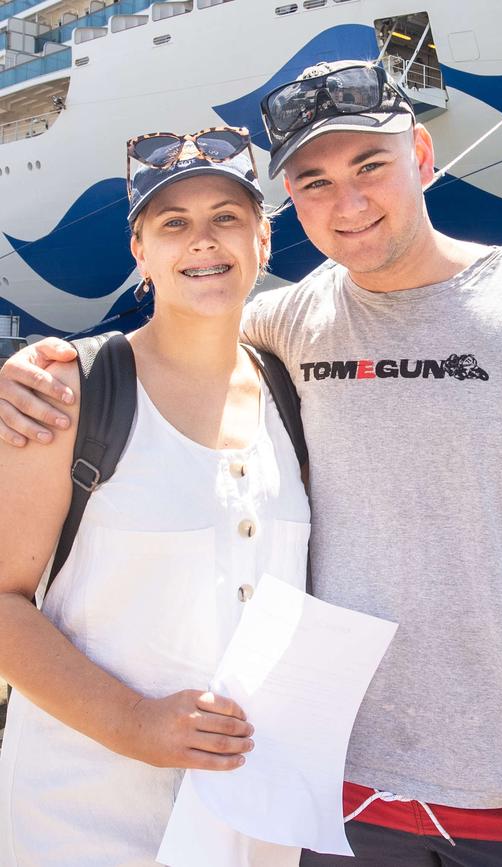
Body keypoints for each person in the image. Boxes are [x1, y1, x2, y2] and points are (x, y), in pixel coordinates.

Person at [2, 60, 502, 867]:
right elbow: (179, 339)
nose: (346, 204)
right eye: (313, 181)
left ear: (421, 153)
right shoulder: (286, 329)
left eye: (369, 166)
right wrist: (28, 372)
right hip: (325, 799)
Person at [0, 129, 309, 866]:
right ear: (141, 252)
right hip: (82, 826)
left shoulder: (293, 394)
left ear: (264, 241)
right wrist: (134, 721)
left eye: (227, 217)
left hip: (255, 827)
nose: (203, 240)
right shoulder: (70, 394)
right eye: (173, 223)